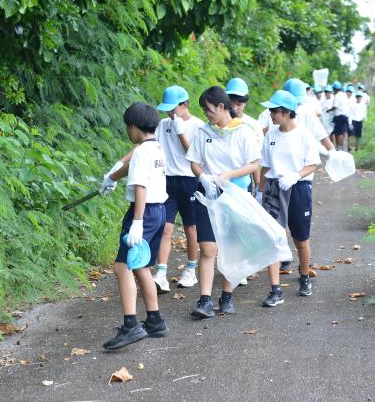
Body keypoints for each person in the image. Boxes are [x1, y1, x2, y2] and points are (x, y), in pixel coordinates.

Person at [186, 86, 260, 318]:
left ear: (221, 106)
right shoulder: (202, 132)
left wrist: (227, 176)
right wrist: (203, 177)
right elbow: (194, 161)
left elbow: (254, 164)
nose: (206, 114)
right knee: (208, 247)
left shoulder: (244, 131)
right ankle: (205, 300)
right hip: (208, 192)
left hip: (235, 193)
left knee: (231, 246)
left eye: (208, 109)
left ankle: (227, 294)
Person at [100, 103, 169, 351]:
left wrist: (137, 223)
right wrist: (112, 177)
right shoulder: (156, 148)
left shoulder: (140, 152)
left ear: (133, 127)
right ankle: (154, 320)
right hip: (159, 211)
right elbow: (132, 169)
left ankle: (131, 325)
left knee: (122, 266)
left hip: (144, 212)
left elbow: (140, 186)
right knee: (140, 265)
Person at [258, 90, 320, 306]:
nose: (271, 114)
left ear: (286, 112)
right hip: (275, 188)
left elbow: (312, 164)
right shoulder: (270, 136)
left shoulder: (303, 135)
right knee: (273, 237)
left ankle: (304, 276)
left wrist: (295, 175)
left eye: (273, 111)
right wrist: (260, 191)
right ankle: (275, 290)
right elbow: (265, 165)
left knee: (300, 237)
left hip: (298, 186)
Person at [277, 78, 334, 272]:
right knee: (287, 224)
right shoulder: (279, 114)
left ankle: (297, 262)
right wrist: (333, 153)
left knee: (292, 225)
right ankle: (292, 258)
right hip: (288, 177)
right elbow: (325, 139)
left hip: (300, 176)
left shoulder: (303, 116)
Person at [152, 85, 205, 293]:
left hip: (190, 181)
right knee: (165, 227)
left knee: (191, 227)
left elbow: (194, 156)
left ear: (184, 105)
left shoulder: (198, 126)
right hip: (167, 181)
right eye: (166, 109)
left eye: (172, 108)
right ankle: (161, 273)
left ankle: (191, 269)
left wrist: (181, 132)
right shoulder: (162, 124)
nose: (169, 113)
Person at [225, 77, 264, 286]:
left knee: (242, 226)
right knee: (226, 227)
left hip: (242, 182)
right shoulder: (216, 124)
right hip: (221, 183)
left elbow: (255, 160)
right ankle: (232, 265)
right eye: (232, 100)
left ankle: (241, 266)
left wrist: (259, 188)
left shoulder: (252, 125)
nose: (236, 105)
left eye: (240, 101)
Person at [327, 81, 350, 151]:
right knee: (339, 133)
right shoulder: (344, 95)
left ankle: (339, 148)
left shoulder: (337, 95)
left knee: (339, 133)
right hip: (344, 116)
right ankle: (339, 147)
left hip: (339, 116)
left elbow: (335, 106)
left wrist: (328, 110)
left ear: (335, 89)